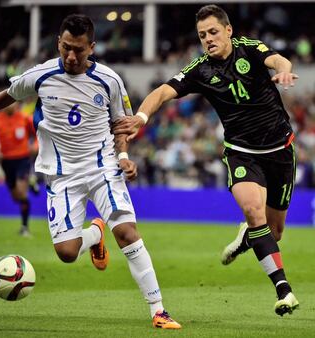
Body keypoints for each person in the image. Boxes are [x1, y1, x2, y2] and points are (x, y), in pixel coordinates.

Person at [0, 14, 181, 329]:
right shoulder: (41, 75)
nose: (71, 56)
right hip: (61, 175)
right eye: (66, 48)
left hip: (102, 165)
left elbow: (120, 125)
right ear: (58, 44)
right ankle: (95, 234)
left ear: (91, 47)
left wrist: (123, 156)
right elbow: (10, 94)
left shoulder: (109, 80)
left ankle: (158, 311)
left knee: (127, 232)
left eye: (79, 49)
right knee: (66, 252)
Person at [113, 4, 299, 316]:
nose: (208, 39)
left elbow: (277, 59)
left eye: (213, 32)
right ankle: (284, 290)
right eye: (202, 35)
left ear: (228, 30)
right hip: (241, 152)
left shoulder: (249, 49)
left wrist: (282, 68)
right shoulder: (200, 70)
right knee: (254, 212)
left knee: (274, 230)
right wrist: (142, 116)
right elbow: (162, 92)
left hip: (281, 151)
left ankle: (247, 237)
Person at [0, 102, 38, 236]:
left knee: (21, 191)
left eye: (13, 102)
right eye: (8, 102)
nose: (11, 105)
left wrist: (36, 146)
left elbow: (38, 133)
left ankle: (24, 227)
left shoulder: (24, 118)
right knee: (16, 197)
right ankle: (31, 182)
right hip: (6, 161)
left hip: (23, 159)